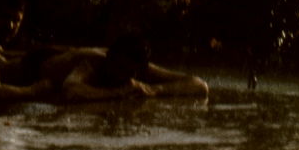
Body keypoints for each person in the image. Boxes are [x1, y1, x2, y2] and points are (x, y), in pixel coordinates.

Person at [37, 34, 210, 103]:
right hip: (39, 62)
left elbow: (200, 85)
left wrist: (154, 90)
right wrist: (118, 93)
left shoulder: (139, 67)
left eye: (127, 72)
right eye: (118, 67)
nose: (120, 76)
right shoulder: (92, 63)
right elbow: (70, 91)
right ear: (110, 58)